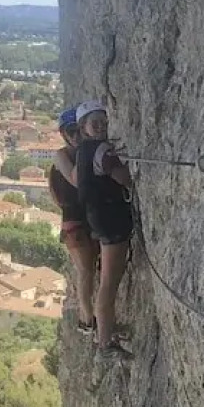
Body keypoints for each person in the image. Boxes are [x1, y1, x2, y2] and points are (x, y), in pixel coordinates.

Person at [70, 99, 134, 359]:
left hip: (98, 218)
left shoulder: (83, 151)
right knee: (109, 282)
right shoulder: (101, 150)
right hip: (111, 219)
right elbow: (124, 178)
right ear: (84, 126)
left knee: (107, 281)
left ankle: (105, 334)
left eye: (102, 122)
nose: (100, 127)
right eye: (95, 123)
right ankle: (105, 344)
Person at [50, 107, 97, 335]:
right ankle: (86, 320)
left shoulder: (78, 153)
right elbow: (77, 181)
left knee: (89, 271)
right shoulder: (63, 156)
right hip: (75, 223)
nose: (77, 136)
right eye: (72, 132)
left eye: (80, 130)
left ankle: (87, 317)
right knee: (85, 271)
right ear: (65, 134)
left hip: (83, 221)